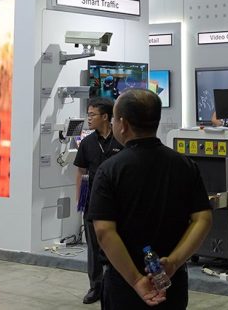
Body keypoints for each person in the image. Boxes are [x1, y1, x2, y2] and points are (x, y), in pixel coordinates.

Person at [88, 89, 212, 309]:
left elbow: (104, 232)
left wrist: (136, 279)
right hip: (170, 281)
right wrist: (173, 262)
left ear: (123, 124)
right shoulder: (185, 165)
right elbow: (203, 218)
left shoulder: (109, 170)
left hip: (124, 284)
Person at [74, 97, 125, 304]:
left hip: (118, 203)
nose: (88, 119)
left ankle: (119, 284)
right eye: (88, 115)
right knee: (94, 248)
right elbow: (80, 171)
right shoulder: (87, 143)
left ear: (105, 117)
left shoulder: (121, 140)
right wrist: (80, 199)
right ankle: (96, 286)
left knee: (117, 244)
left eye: (92, 115)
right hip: (93, 202)